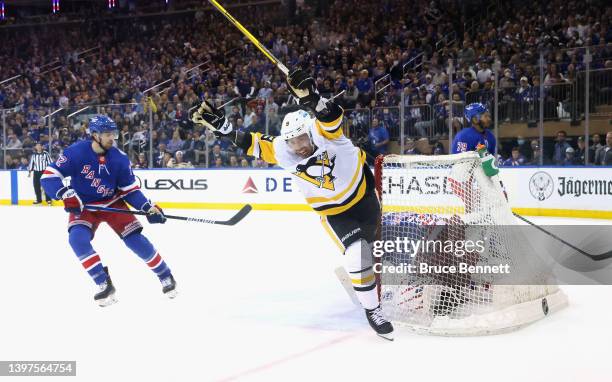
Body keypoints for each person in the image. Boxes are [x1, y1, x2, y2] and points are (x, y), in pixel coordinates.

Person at [191, 69, 394, 340]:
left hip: (367, 199)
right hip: (335, 214)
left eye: (300, 138)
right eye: (292, 141)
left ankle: (386, 282)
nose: (297, 146)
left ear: (309, 133)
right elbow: (250, 143)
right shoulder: (282, 149)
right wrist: (223, 127)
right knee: (357, 254)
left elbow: (331, 116)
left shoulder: (324, 134)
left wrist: (313, 98)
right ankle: (373, 310)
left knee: (387, 245)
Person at [41, 115, 177, 306]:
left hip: (113, 203)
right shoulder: (75, 152)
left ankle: (165, 274)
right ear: (94, 135)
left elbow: (130, 190)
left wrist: (147, 207)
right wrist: (64, 193)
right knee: (77, 239)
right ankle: (103, 283)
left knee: (134, 240)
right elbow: (48, 176)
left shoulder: (119, 158)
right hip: (84, 205)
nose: (112, 138)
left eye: (113, 133)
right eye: (107, 134)